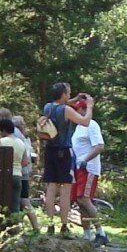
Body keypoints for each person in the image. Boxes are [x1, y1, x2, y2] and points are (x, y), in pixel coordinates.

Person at [37, 82, 89, 237]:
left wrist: (74, 99)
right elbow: (84, 121)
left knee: (51, 188)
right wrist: (90, 107)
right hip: (64, 151)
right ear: (64, 94)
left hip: (50, 150)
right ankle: (64, 226)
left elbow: (63, 104)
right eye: (68, 93)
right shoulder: (66, 110)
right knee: (65, 189)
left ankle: (50, 224)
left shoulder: (48, 107)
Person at [69, 95, 108, 245]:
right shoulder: (79, 126)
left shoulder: (91, 125)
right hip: (78, 167)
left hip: (88, 168)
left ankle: (101, 233)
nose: (76, 112)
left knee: (85, 199)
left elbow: (99, 145)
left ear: (84, 109)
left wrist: (85, 160)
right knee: (79, 201)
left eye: (78, 109)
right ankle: (86, 234)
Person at [7, 115, 35, 210]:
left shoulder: (18, 136)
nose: (25, 126)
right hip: (23, 172)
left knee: (22, 199)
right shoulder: (20, 136)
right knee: (23, 198)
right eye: (23, 124)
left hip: (20, 171)